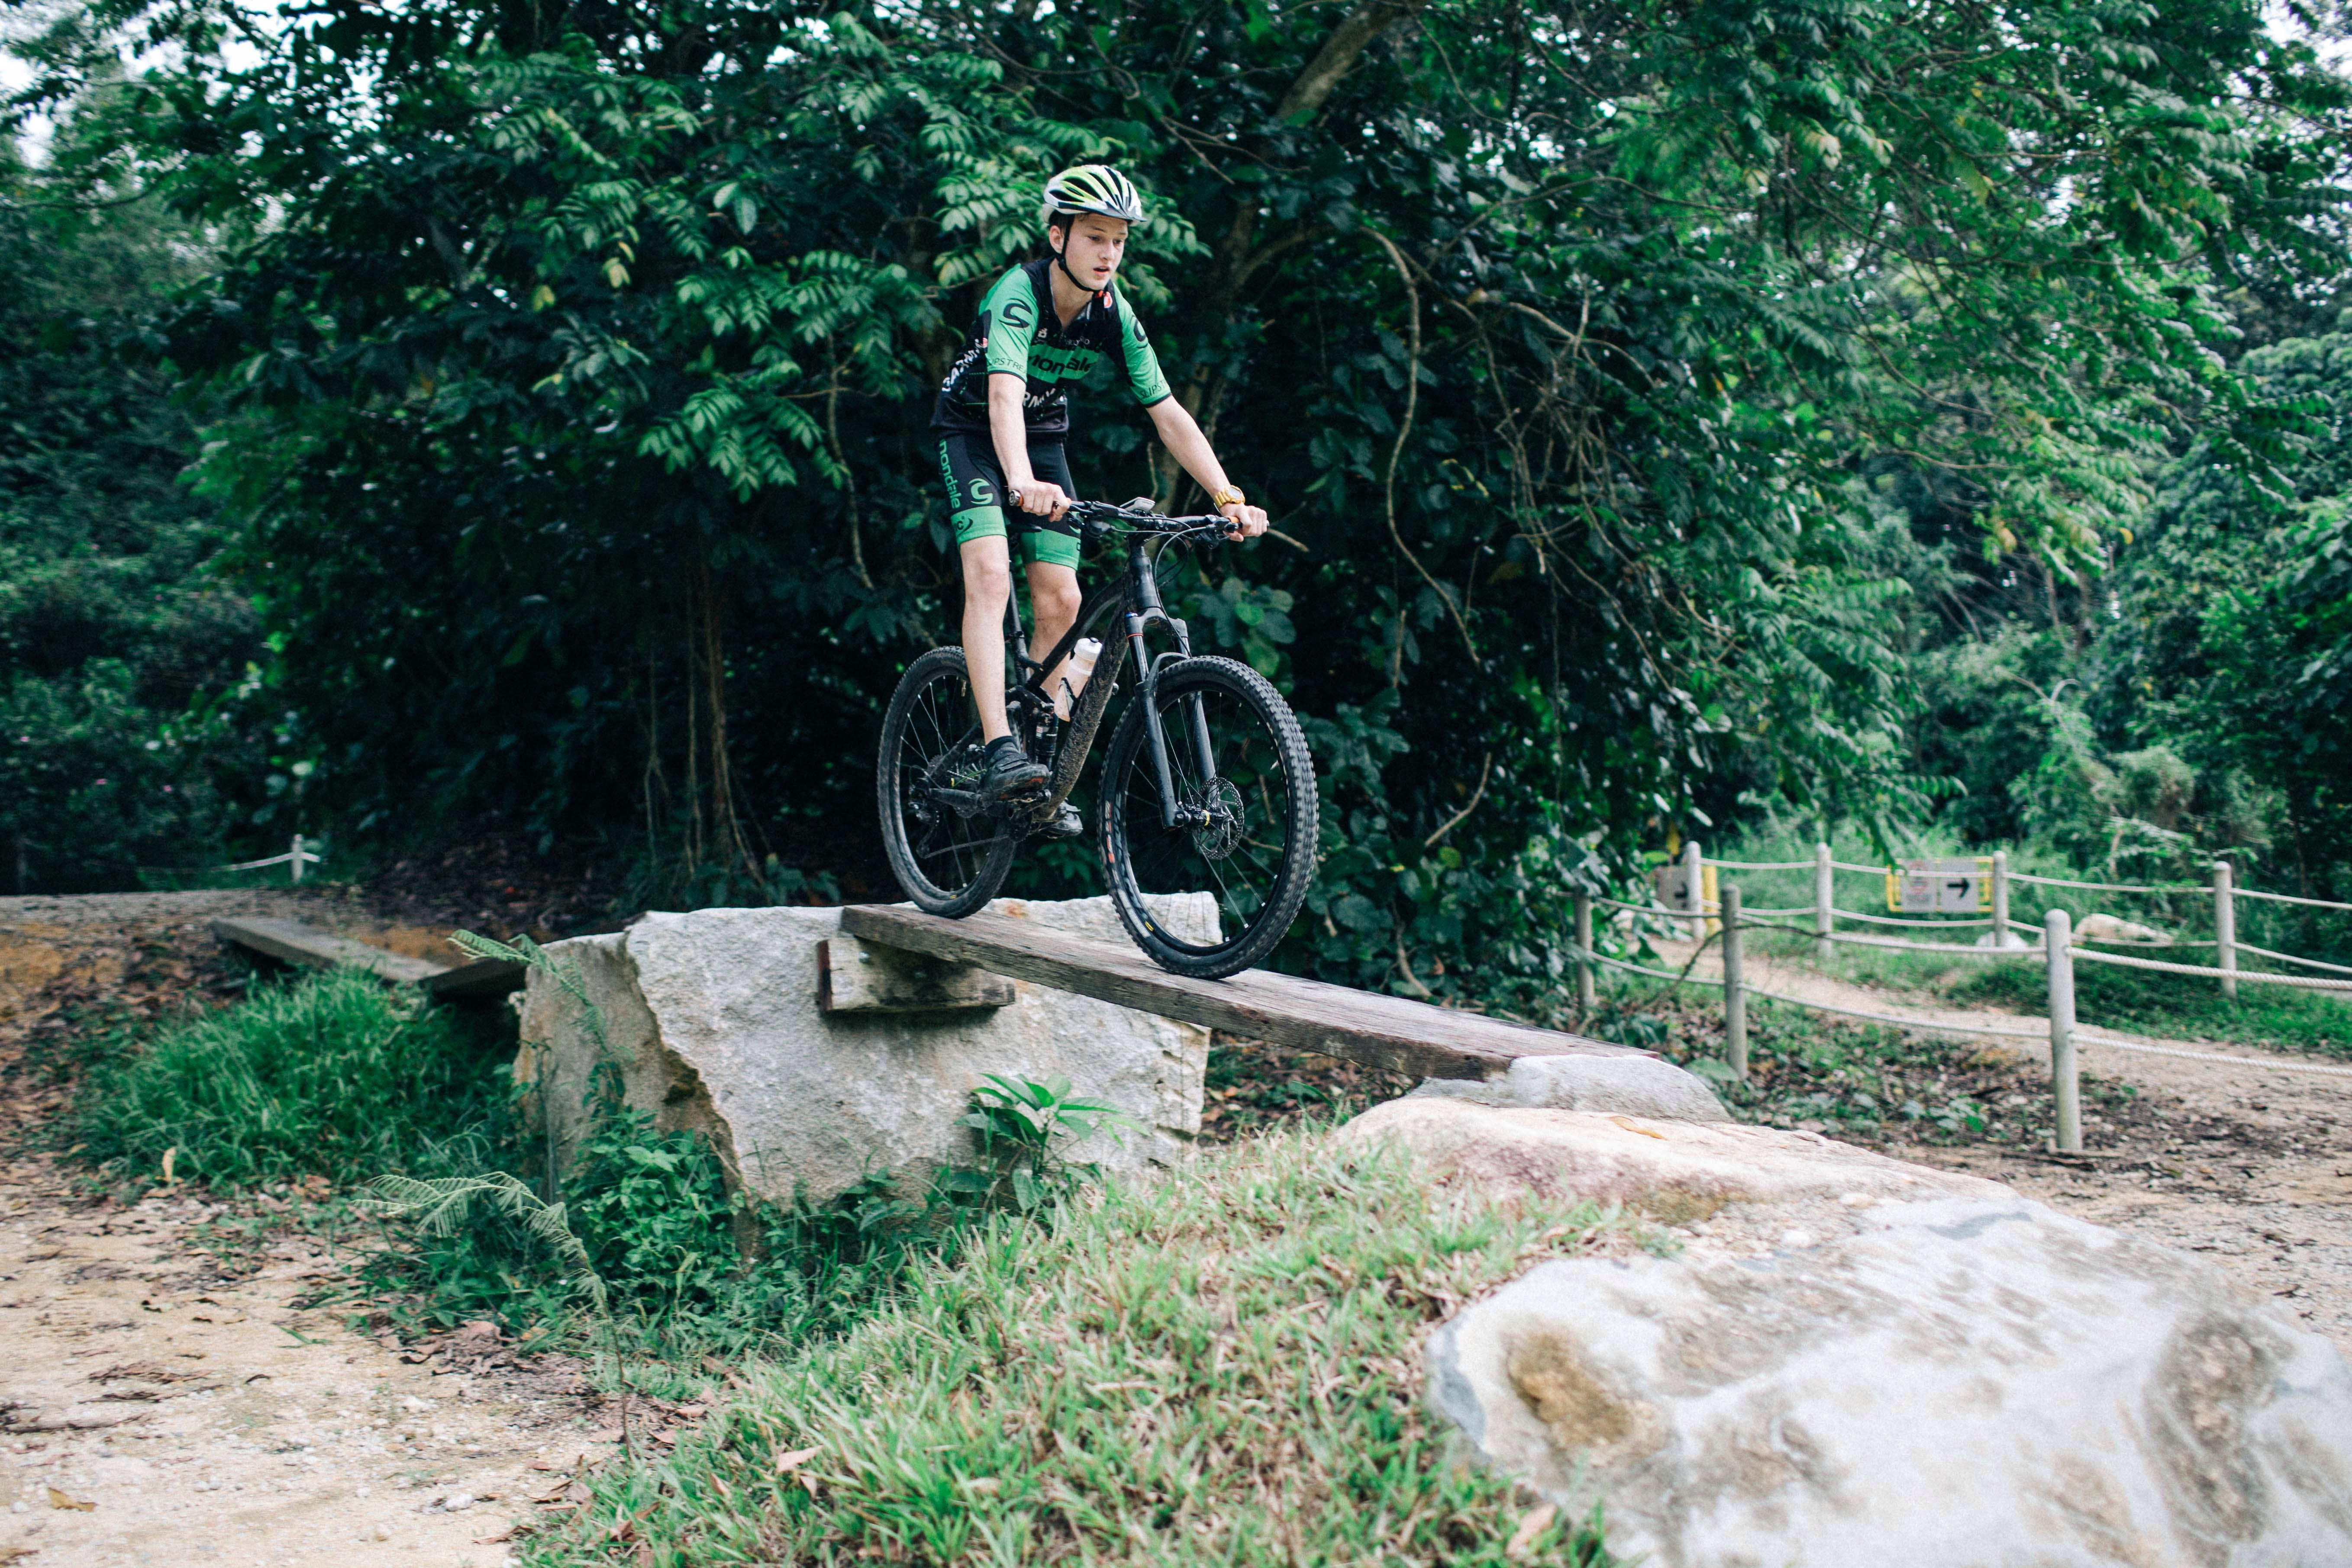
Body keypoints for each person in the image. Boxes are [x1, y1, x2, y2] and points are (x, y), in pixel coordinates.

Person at [930, 164, 1269, 834]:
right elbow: (1002, 397)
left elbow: (1166, 409)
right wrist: (1021, 481)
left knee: (1063, 600)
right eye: (1094, 237)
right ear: (1058, 236)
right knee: (992, 575)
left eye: (1118, 241)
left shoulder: (1113, 313)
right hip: (972, 436)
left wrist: (1225, 493)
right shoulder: (1017, 296)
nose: (1109, 254)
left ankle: (1035, 773)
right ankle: (1000, 748)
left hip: (1045, 442)